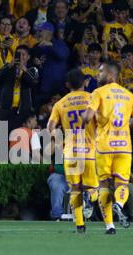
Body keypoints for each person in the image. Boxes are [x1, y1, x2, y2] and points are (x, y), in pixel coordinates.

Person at [83, 61, 133, 234]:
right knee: (122, 183)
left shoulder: (98, 93)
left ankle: (109, 225)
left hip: (104, 145)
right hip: (124, 146)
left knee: (103, 185)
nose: (97, 73)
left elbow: (87, 117)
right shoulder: (128, 95)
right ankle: (118, 204)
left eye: (100, 71)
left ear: (110, 75)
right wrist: (124, 126)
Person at [47, 68, 99, 234]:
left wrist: (62, 141)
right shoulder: (93, 99)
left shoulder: (60, 104)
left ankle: (80, 225)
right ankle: (89, 198)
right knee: (94, 189)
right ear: (85, 82)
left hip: (70, 152)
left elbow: (50, 128)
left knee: (75, 188)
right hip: (90, 151)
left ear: (68, 84)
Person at [0, 44, 39, 117]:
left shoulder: (32, 70)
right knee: (3, 128)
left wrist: (24, 70)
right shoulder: (8, 67)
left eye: (23, 54)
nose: (21, 57)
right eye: (18, 54)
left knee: (18, 128)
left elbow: (33, 82)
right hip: (6, 107)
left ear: (28, 57)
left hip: (23, 108)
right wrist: (10, 66)